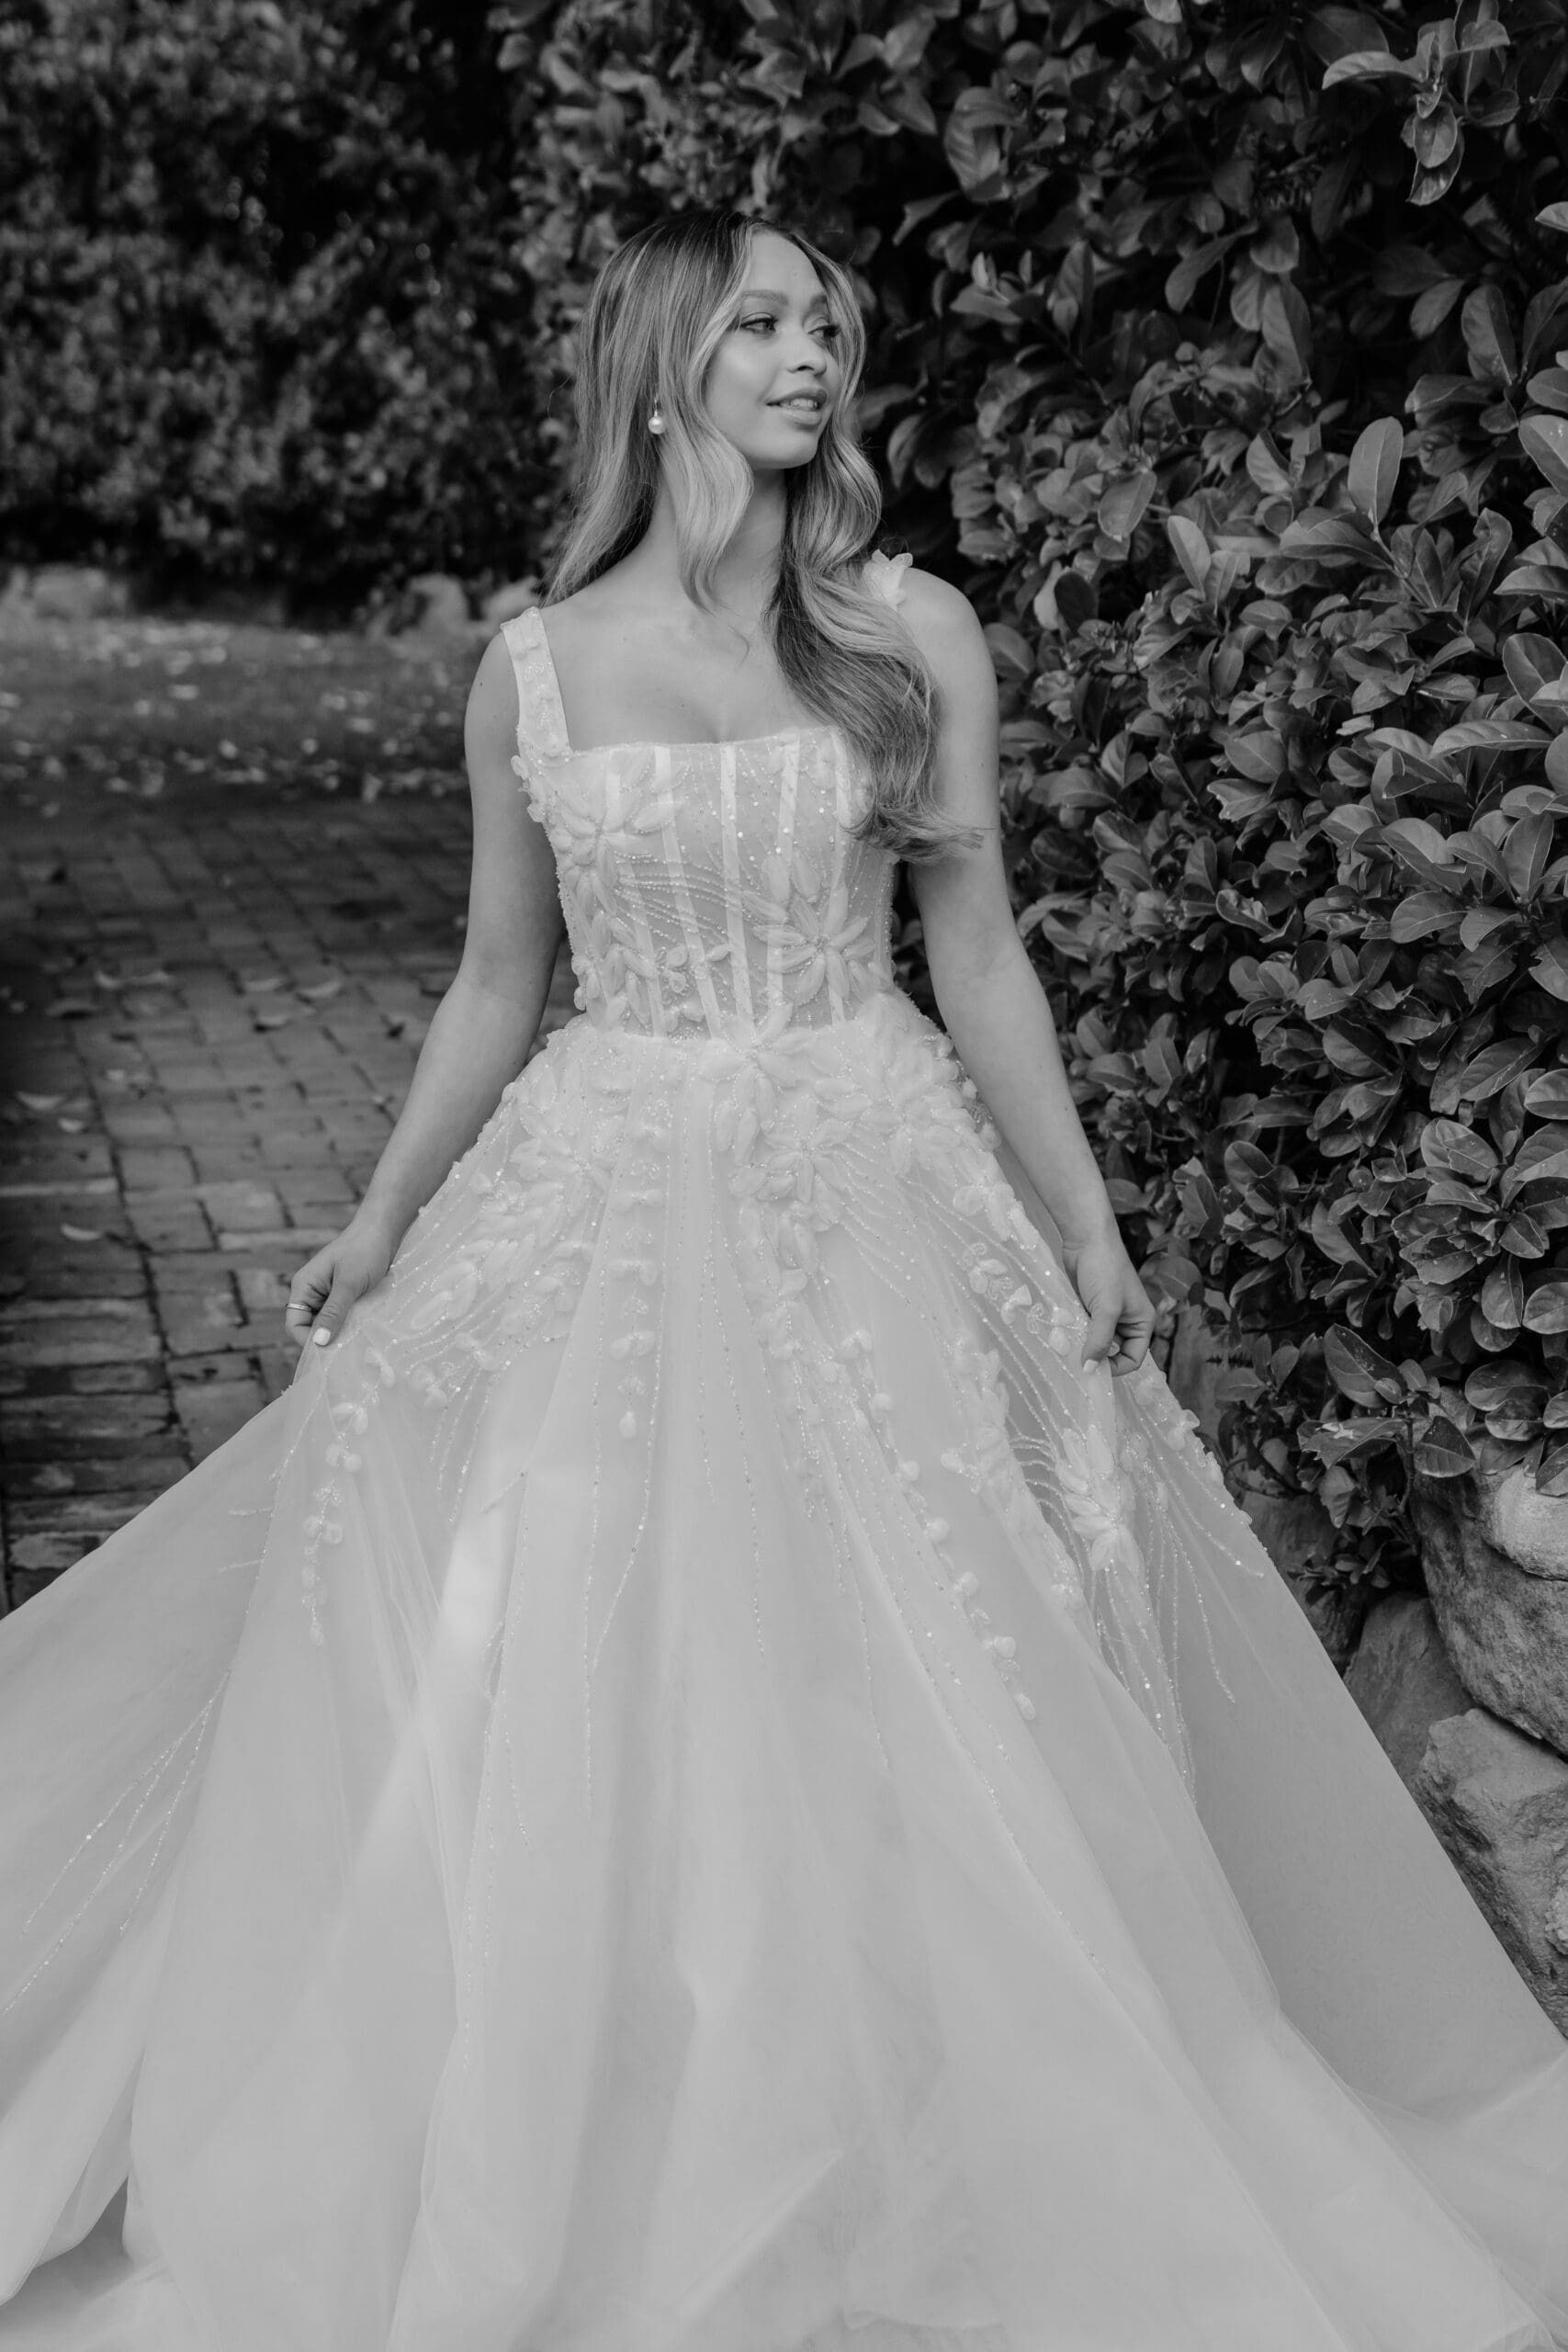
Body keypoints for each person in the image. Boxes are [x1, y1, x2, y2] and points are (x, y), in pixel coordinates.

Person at [0, 208, 1564, 2352]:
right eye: (759, 325)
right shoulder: (532, 668)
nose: (811, 356)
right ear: (661, 373)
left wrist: (1084, 1221)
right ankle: (611, 2122)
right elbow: (494, 978)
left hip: (864, 1175)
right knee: (576, 1645)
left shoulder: (905, 631)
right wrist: (380, 1214)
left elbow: (978, 954)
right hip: (607, 1187)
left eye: (822, 324)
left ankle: (929, 2110)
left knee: (918, 1655)